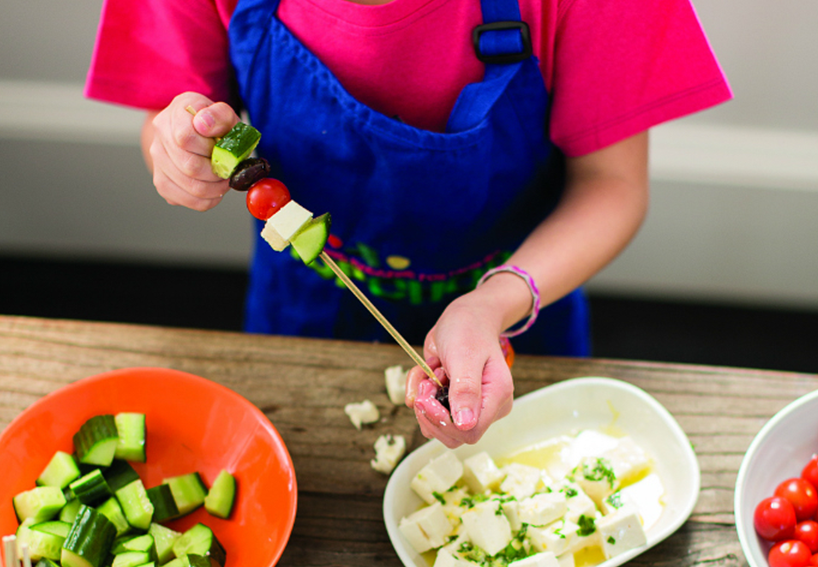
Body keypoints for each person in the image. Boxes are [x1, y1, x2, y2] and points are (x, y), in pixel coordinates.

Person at [85, 0, 731, 448]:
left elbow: (612, 184)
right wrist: (175, 151)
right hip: (305, 313)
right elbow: (166, 116)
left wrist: (492, 305)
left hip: (521, 305)